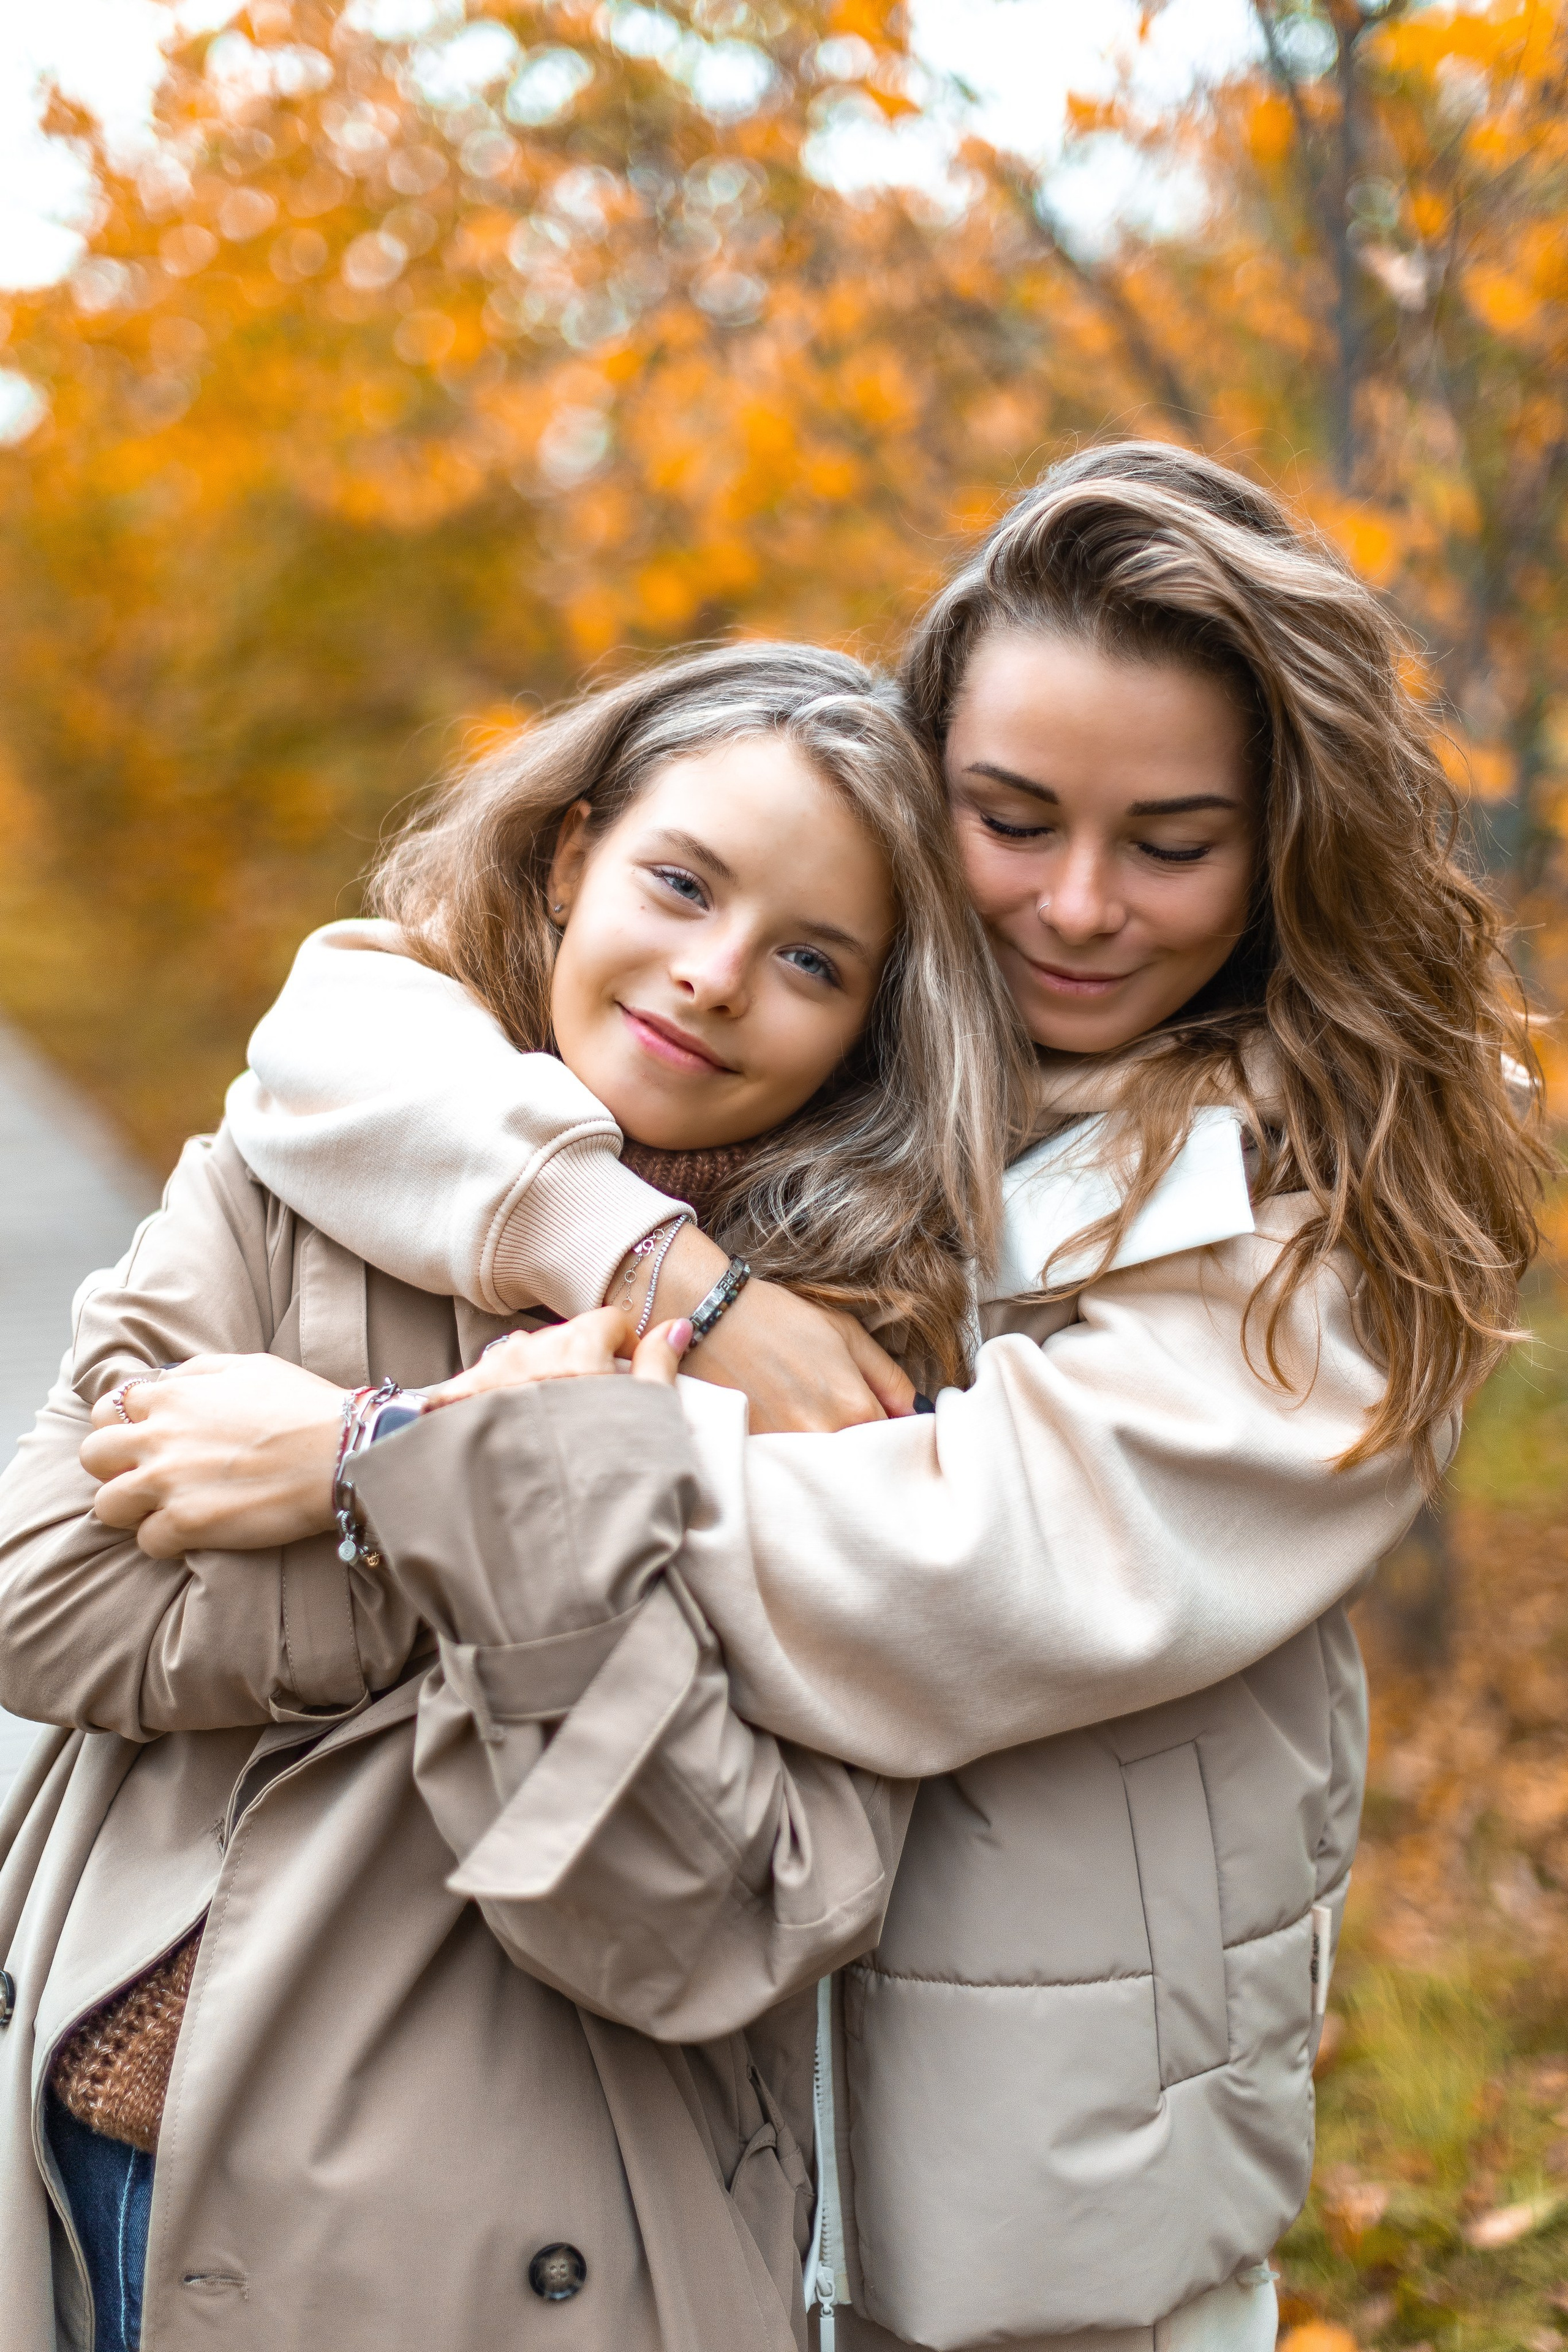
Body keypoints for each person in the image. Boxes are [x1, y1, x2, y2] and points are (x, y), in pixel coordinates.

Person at [91, 442, 1544, 2352]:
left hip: (1028, 2261)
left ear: (1284, 845)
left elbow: (935, 1574)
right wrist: (655, 1265)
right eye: (1009, 819)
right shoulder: (848, 1049)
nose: (1079, 908)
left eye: (1171, 843)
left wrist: (392, 1463)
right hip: (672, 2186)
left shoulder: (1318, 1232)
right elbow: (341, 1036)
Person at [0, 643, 1021, 2352]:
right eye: (681, 884)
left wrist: (394, 1477)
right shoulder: (286, 1178)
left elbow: (713, 1915)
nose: (709, 977)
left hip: (508, 2255)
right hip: (106, 2172)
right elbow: (43, 1593)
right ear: (572, 858)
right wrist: (417, 1466)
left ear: (871, 1022)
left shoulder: (843, 1372)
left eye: (811, 960)